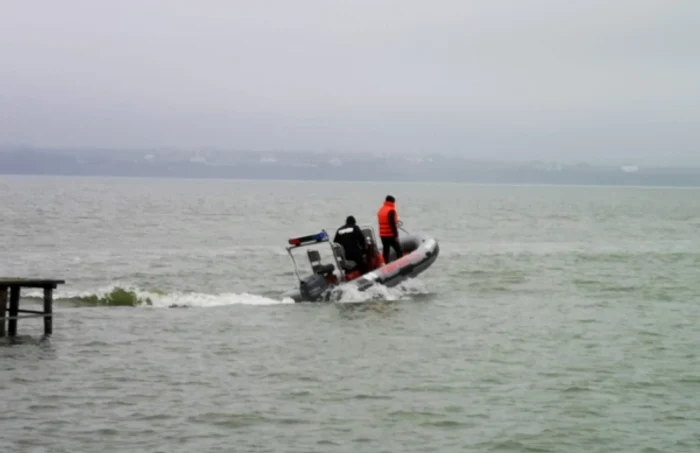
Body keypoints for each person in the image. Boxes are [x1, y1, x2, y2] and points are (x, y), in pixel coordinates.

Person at [376, 195, 403, 264]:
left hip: (382, 235)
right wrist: (396, 235)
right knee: (398, 250)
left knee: (386, 251)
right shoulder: (391, 210)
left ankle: (386, 264)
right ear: (392, 202)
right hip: (390, 234)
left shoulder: (381, 209)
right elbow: (392, 224)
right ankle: (401, 264)